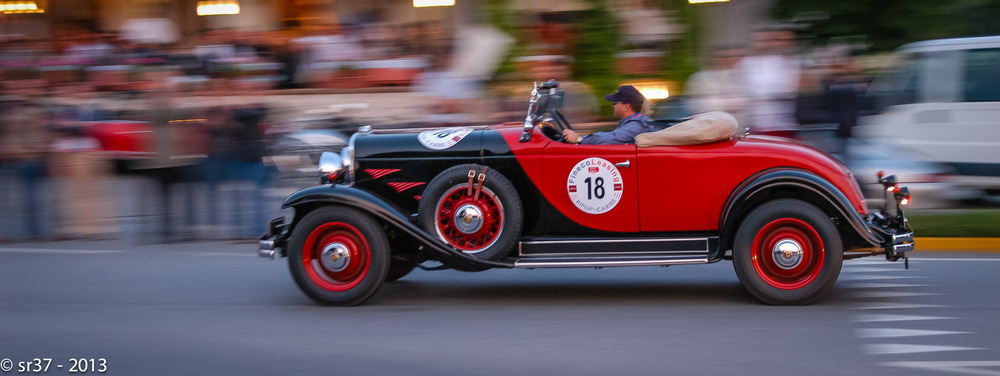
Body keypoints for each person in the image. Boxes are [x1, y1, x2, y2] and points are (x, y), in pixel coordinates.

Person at [562, 85, 654, 145]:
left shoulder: (637, 125)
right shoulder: (635, 123)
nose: (612, 105)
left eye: (614, 103)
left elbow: (612, 138)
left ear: (626, 106)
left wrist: (579, 139)